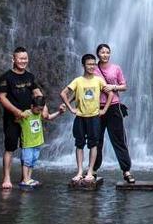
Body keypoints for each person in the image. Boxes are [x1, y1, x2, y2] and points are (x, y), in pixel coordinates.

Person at [0, 46, 46, 189]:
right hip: (12, 118)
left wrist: (44, 109)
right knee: (10, 147)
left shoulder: (29, 76)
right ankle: (6, 178)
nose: (23, 61)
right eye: (20, 58)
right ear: (13, 59)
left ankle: (26, 178)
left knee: (28, 147)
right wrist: (16, 111)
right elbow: (1, 97)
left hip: (29, 119)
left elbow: (38, 94)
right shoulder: (6, 77)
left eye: (25, 58)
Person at [60, 54, 113, 183]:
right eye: (89, 64)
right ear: (83, 65)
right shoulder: (77, 80)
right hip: (80, 117)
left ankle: (89, 171)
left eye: (93, 64)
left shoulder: (99, 80)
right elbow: (63, 93)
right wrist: (71, 108)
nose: (92, 66)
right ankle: (79, 171)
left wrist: (104, 110)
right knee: (79, 144)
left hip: (94, 117)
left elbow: (110, 94)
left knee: (93, 144)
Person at [93, 43, 135, 184]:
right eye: (102, 52)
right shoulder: (93, 69)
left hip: (114, 107)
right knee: (96, 139)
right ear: (98, 54)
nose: (105, 54)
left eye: (107, 52)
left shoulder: (116, 68)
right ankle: (93, 169)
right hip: (97, 108)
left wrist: (114, 86)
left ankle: (126, 170)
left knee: (118, 139)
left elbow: (124, 86)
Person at [15, 95, 61, 187]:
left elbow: (49, 117)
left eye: (41, 109)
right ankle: (24, 180)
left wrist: (59, 112)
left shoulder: (39, 114)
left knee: (32, 162)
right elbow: (16, 119)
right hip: (28, 143)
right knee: (26, 162)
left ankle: (29, 178)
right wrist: (20, 115)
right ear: (32, 106)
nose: (39, 112)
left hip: (37, 143)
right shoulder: (26, 114)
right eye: (38, 109)